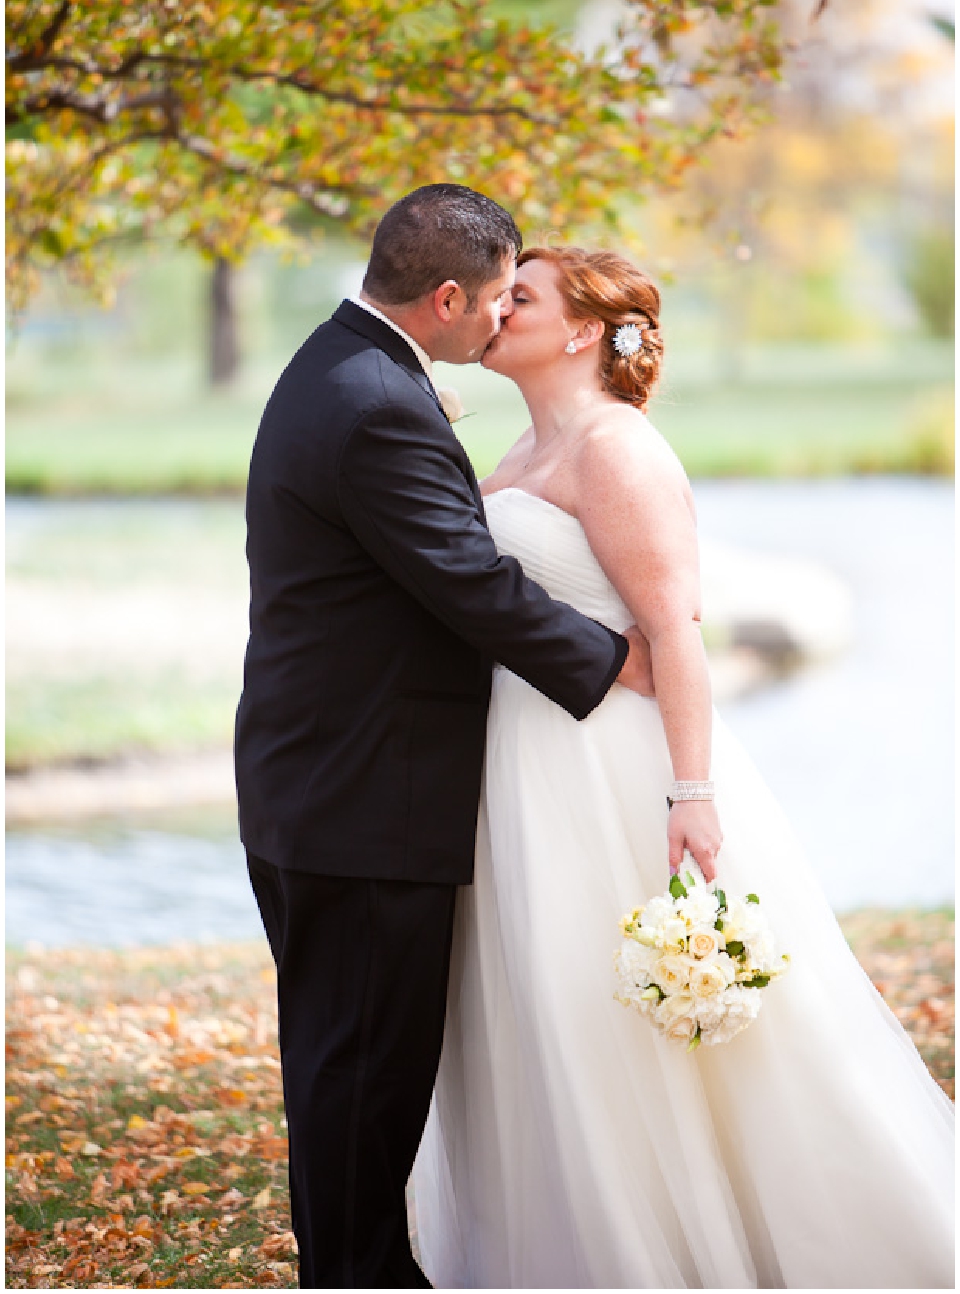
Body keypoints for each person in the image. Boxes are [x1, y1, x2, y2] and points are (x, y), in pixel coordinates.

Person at [413, 245, 955, 1289]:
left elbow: (678, 632)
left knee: (623, 1014)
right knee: (545, 1010)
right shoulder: (521, 449)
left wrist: (691, 792)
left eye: (517, 295)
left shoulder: (617, 449)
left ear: (581, 329)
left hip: (610, 769)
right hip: (515, 763)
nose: (495, 307)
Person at [234, 189, 657, 1289]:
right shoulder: (377, 401)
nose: (500, 317)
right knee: (363, 1075)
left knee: (343, 1067)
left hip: (320, 781)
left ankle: (356, 1266)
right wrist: (620, 661)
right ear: (447, 295)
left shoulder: (336, 366)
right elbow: (472, 585)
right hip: (365, 796)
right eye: (497, 296)